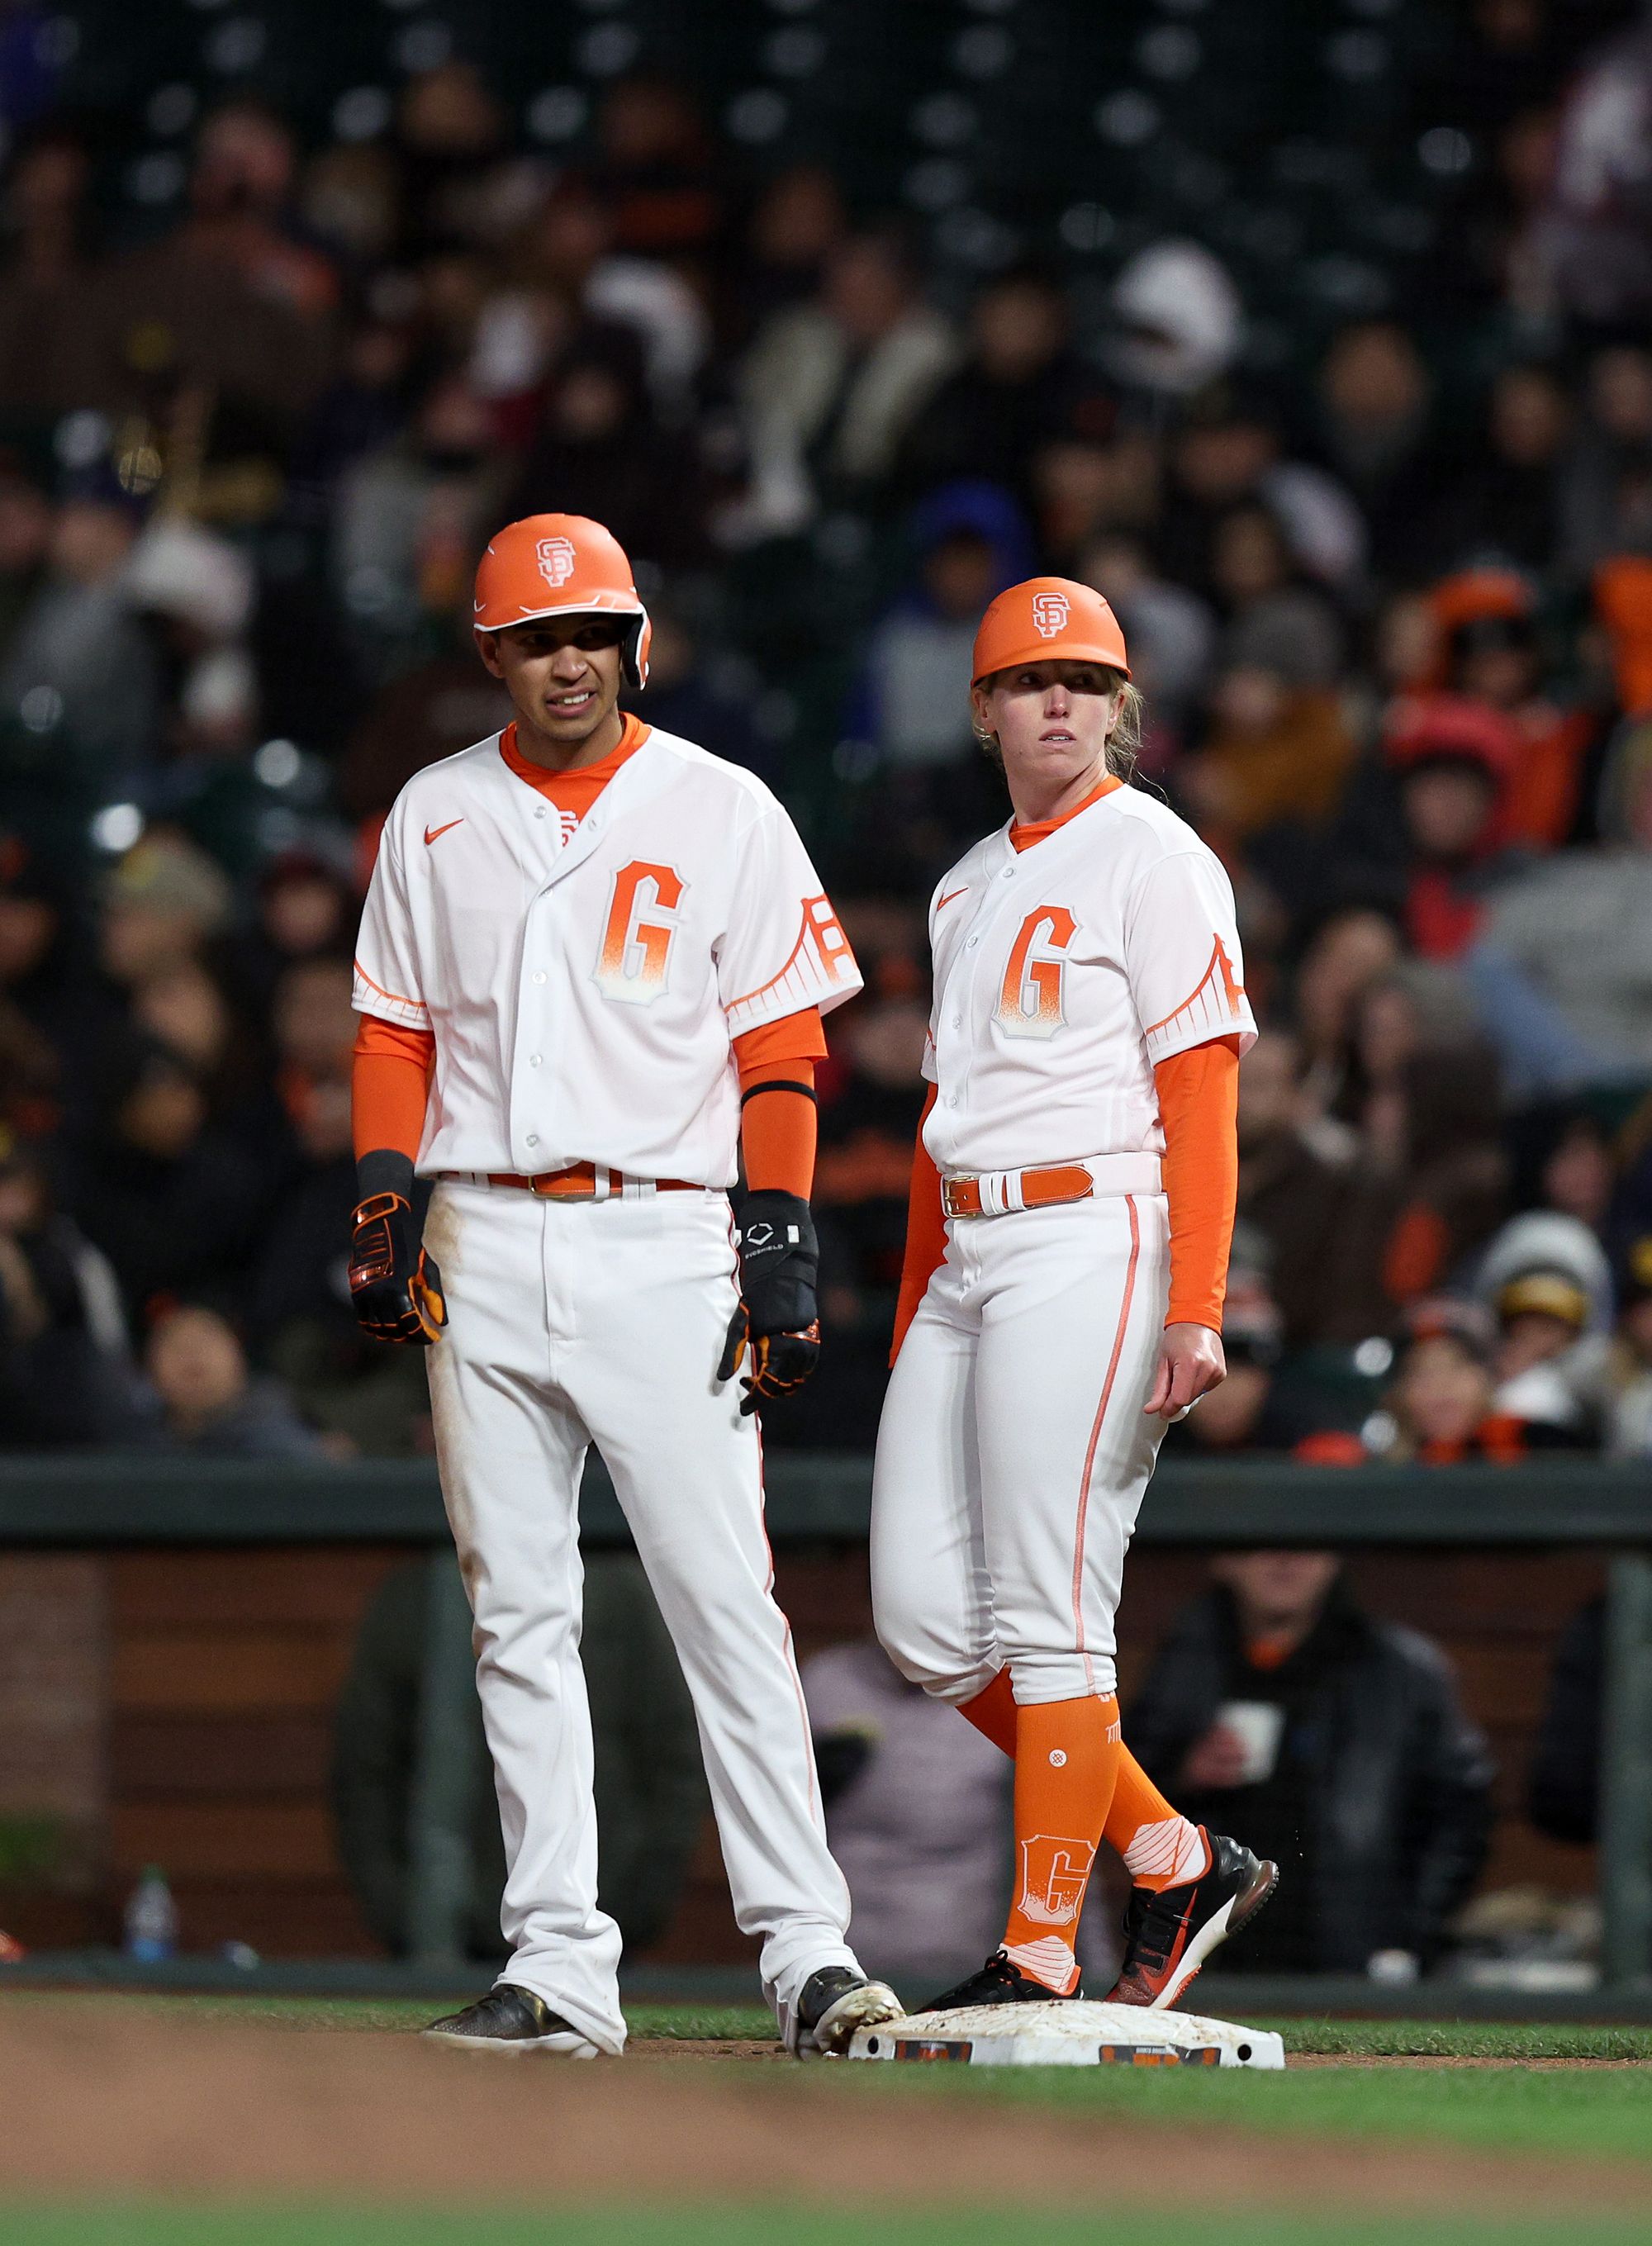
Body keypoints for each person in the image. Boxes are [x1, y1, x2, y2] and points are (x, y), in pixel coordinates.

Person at [346, 511, 901, 2058]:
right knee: (516, 1610)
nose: (568, 658)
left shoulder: (721, 804)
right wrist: (386, 1193)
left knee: (724, 1599)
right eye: (538, 637)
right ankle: (561, 1965)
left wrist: (777, 1226)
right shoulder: (433, 811)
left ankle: (807, 1951)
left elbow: (781, 1040)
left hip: (665, 1226)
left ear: (636, 641)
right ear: (493, 656)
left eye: (592, 631)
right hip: (483, 1231)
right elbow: (392, 1031)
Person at [870, 576, 1276, 2016]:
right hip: (972, 1252)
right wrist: (921, 1303)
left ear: (1123, 707)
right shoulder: (967, 880)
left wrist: (1199, 1297)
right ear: (982, 708)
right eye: (1031, 677)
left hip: (1095, 1231)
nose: (1060, 698)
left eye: (1087, 679)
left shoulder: (1156, 857)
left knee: (1050, 1608)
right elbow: (938, 1113)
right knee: (924, 1622)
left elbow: (1202, 1093)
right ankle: (1172, 1852)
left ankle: (1043, 1947)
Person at [1127, 1552, 1494, 1976]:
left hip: (1353, 1948)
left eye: (1306, 1545)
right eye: (1263, 1542)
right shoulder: (1187, 1656)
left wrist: (1409, 1936)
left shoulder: (1399, 1669)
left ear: (1335, 1558)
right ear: (1224, 1559)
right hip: (1215, 1950)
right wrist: (1183, 1773)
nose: (1285, 1561)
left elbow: (1461, 1812)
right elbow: (1124, 1782)